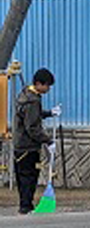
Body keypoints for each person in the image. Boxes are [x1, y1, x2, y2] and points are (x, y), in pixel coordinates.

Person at [13, 68, 60, 215]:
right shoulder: (32, 101)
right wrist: (48, 140)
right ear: (39, 84)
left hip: (19, 145)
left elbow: (33, 116)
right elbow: (32, 127)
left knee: (22, 177)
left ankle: (25, 205)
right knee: (29, 177)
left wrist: (48, 113)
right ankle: (26, 207)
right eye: (47, 86)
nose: (48, 89)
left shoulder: (25, 95)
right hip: (28, 146)